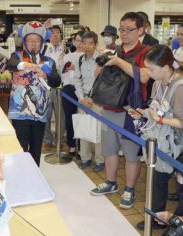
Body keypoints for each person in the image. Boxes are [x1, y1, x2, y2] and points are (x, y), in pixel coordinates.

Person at [90, 12, 151, 209]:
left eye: (129, 30)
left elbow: (143, 77)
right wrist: (103, 60)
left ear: (141, 30)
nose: (124, 34)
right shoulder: (112, 49)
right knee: (109, 149)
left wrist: (117, 61)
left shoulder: (146, 51)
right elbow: (97, 75)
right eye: (121, 29)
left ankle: (130, 189)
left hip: (131, 111)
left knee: (132, 153)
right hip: (108, 107)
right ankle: (111, 182)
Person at [127, 45, 183, 230]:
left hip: (178, 143)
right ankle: (158, 218)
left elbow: (182, 122)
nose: (148, 72)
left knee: (180, 184)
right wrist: (143, 114)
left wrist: (159, 119)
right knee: (157, 178)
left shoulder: (180, 87)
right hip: (162, 141)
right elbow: (154, 108)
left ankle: (178, 222)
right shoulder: (157, 83)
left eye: (151, 69)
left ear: (166, 68)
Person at [7, 21, 61, 166]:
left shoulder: (48, 61)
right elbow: (11, 65)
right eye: (30, 40)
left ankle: (35, 177)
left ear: (42, 42)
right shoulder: (17, 56)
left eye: (37, 40)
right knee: (21, 148)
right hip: (19, 111)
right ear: (24, 42)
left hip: (40, 113)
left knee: (36, 148)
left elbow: (56, 81)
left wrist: (46, 75)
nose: (33, 44)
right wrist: (27, 65)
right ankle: (22, 177)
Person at [73, 31, 104, 171]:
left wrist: (94, 98)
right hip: (84, 99)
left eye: (90, 43)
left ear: (95, 44)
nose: (87, 46)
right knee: (83, 128)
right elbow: (77, 81)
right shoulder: (79, 60)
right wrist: (81, 98)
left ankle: (100, 160)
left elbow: (105, 82)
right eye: (84, 43)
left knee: (100, 130)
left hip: (99, 101)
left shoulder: (102, 60)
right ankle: (85, 157)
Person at [58, 30, 84, 157]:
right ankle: (72, 145)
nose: (79, 43)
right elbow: (58, 69)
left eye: (81, 40)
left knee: (82, 120)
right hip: (68, 89)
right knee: (70, 119)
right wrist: (62, 53)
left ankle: (82, 148)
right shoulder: (68, 56)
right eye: (77, 40)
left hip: (83, 90)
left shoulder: (87, 56)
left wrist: (76, 68)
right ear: (73, 41)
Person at [42, 25, 66, 150]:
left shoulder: (66, 49)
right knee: (46, 113)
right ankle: (47, 139)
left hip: (61, 87)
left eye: (58, 33)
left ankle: (60, 140)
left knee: (60, 115)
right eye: (52, 33)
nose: (55, 35)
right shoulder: (44, 48)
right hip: (46, 85)